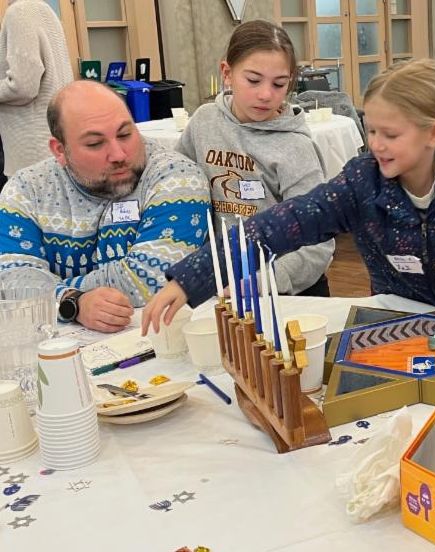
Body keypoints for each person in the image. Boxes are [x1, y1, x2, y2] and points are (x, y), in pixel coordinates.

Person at [140, 59, 435, 334]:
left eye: (391, 134)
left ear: (433, 134)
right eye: (371, 131)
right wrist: (192, 278)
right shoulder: (361, 183)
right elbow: (278, 225)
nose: (377, 145)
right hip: (397, 324)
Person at [0, 81, 210, 332]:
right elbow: (13, 281)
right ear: (60, 150)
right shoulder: (26, 190)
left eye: (125, 134)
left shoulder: (177, 176)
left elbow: (152, 277)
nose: (118, 154)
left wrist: (54, 292)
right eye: (95, 144)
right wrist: (75, 302)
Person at [177, 20, 333, 298]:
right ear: (227, 73)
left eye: (279, 84)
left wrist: (263, 282)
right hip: (221, 282)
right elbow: (178, 186)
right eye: (253, 80)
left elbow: (317, 244)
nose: (265, 94)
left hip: (285, 291)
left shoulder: (296, 146)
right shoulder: (204, 122)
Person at [0, 0, 73, 177]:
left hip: (30, 145)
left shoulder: (19, 12)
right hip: (52, 135)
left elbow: (23, 86)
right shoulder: (46, 11)